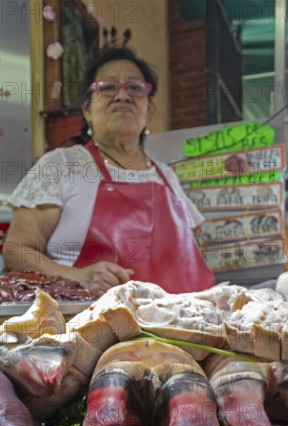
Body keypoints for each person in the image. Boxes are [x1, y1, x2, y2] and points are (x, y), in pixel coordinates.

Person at [4, 47, 215, 297]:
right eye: (107, 87)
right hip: (92, 329)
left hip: (176, 329)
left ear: (149, 110)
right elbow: (16, 250)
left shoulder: (167, 177)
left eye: (135, 88)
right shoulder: (62, 164)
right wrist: (78, 277)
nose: (122, 95)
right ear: (87, 110)